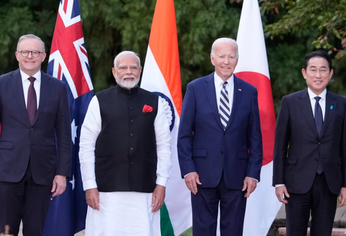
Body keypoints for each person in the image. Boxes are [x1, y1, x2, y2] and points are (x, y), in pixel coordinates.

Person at [79, 51, 172, 236]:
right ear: (114, 71)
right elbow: (86, 145)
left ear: (140, 70)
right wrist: (89, 185)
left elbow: (164, 145)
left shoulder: (154, 102)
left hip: (145, 188)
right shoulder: (99, 100)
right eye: (123, 67)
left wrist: (161, 184)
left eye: (133, 67)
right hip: (106, 190)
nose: (128, 72)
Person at [177, 37, 263, 236]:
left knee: (233, 231)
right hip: (201, 176)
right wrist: (188, 170)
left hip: (238, 176)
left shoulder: (249, 92)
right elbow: (184, 135)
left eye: (231, 56)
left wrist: (253, 173)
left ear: (237, 59)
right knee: (203, 231)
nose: (226, 61)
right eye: (222, 56)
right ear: (212, 59)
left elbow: (255, 138)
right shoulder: (195, 88)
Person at [0, 34, 72, 236]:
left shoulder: (58, 88)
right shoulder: (2, 84)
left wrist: (62, 173)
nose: (29, 56)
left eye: (35, 52)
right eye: (25, 51)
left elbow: (64, 133)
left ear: (43, 56)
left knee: (35, 231)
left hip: (43, 173)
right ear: (17, 55)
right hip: (7, 170)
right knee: (6, 230)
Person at [273, 50, 346, 236]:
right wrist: (278, 181)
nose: (318, 75)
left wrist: (344, 184)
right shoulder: (290, 102)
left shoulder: (341, 104)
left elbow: (344, 147)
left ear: (330, 74)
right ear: (304, 73)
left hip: (329, 182)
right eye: (313, 70)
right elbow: (280, 145)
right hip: (296, 182)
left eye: (323, 70)